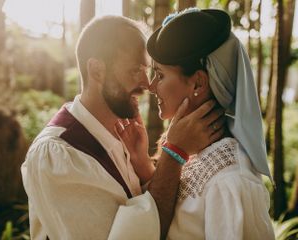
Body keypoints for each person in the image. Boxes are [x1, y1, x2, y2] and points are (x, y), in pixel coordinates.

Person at [21, 15, 225, 239]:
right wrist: (174, 151)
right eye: (135, 70)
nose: (148, 85)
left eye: (146, 70)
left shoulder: (120, 134)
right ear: (97, 70)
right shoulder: (58, 155)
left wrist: (144, 165)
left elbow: (140, 211)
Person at [119, 8, 275, 240]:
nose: (151, 87)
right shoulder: (192, 153)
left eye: (160, 75)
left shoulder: (230, 181)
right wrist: (143, 164)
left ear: (198, 84)